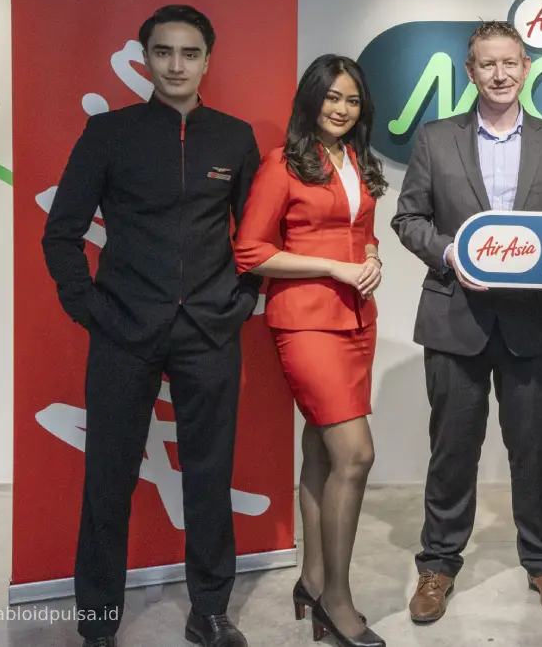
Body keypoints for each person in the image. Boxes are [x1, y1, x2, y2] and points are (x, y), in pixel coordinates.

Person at [41, 5, 260, 647]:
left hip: (209, 331)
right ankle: (98, 622)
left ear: (207, 60)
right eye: (164, 52)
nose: (176, 65)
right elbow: (62, 232)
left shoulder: (234, 138)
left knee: (209, 476)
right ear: (146, 57)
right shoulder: (109, 133)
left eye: (189, 53)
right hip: (124, 329)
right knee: (108, 477)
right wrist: (90, 309)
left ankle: (209, 610)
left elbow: (255, 236)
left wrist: (241, 300)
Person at [390, 20, 542, 623]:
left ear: (526, 67)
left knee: (535, 451)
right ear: (470, 72)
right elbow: (408, 218)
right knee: (452, 451)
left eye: (509, 63)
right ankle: (437, 566)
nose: (499, 75)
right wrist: (454, 254)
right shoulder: (435, 138)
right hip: (454, 318)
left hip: (532, 323)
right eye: (486, 64)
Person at [233, 54, 386, 647]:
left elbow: (362, 231)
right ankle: (336, 603)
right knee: (356, 455)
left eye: (352, 100)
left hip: (357, 321)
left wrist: (369, 257)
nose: (342, 109)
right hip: (305, 323)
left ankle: (313, 580)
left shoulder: (356, 160)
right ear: (311, 99)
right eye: (332, 97)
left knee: (322, 452)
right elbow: (250, 251)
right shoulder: (282, 164)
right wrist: (333, 267)